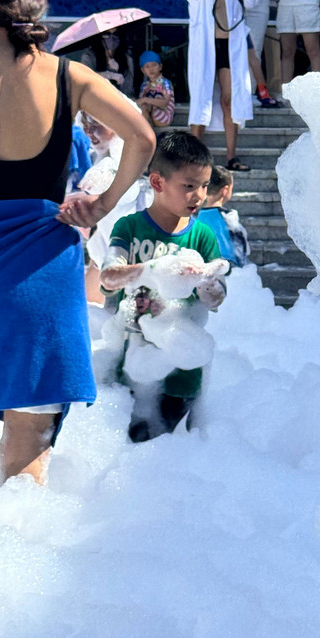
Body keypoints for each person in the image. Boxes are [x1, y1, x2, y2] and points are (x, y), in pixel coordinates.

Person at [0, 0, 154, 490]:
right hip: (40, 277)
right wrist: (101, 207)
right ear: (37, 4)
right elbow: (143, 137)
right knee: (25, 465)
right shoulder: (70, 77)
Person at [101, 130, 227, 442]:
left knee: (159, 455)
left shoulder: (203, 237)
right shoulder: (129, 228)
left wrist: (206, 281)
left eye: (203, 185)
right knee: (128, 452)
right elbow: (108, 277)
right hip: (129, 366)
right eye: (189, 186)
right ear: (158, 183)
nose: (199, 195)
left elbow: (217, 299)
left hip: (181, 375)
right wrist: (151, 271)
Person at [184, 0, 259, 172]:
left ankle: (231, 157)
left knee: (230, 100)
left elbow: (254, 1)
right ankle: (193, 159)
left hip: (229, 47)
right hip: (206, 48)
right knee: (201, 100)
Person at [201, 164, 250, 266]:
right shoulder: (227, 218)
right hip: (228, 272)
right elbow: (239, 249)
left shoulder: (198, 218)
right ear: (225, 190)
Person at [136, 51, 176, 128]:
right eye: (147, 67)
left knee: (156, 100)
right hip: (150, 115)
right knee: (142, 107)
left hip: (163, 117)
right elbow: (140, 102)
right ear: (143, 70)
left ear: (160, 66)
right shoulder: (144, 85)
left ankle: (148, 131)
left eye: (154, 65)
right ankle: (148, 132)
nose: (151, 69)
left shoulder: (165, 83)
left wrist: (146, 99)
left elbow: (165, 103)